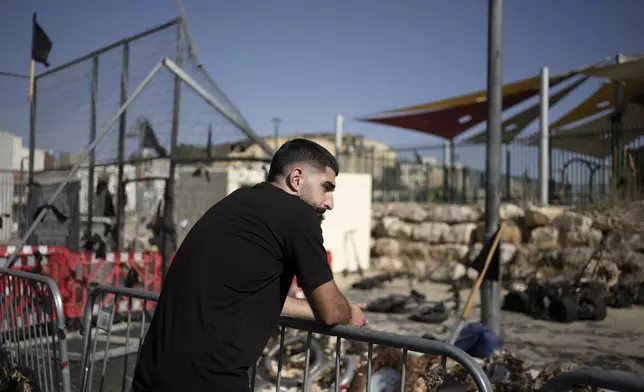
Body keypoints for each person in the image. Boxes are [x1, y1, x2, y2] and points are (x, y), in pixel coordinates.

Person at [132, 138, 368, 392]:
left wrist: (320, 309)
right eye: (326, 187)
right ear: (297, 178)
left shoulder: (237, 203)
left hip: (153, 372)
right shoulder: (298, 216)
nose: (330, 202)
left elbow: (249, 294)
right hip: (207, 380)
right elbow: (331, 312)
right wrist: (348, 313)